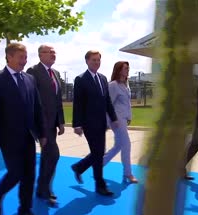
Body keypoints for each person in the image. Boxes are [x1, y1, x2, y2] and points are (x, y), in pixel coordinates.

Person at [0, 43, 47, 215]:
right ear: (9, 57)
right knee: (16, 172)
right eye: (20, 57)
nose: (24, 61)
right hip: (8, 137)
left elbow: (37, 108)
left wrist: (42, 133)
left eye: (25, 57)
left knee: (29, 175)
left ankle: (25, 211)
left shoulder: (29, 79)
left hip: (28, 136)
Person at [71, 50, 119, 196]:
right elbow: (77, 103)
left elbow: (107, 101)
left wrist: (114, 118)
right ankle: (100, 185)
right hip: (88, 123)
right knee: (98, 153)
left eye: (98, 60)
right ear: (86, 61)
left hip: (101, 123)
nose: (96, 63)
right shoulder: (80, 79)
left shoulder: (103, 79)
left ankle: (79, 167)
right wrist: (77, 124)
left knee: (99, 152)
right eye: (93, 60)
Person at [27, 44, 65, 205]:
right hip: (40, 123)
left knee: (47, 156)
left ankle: (43, 189)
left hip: (52, 124)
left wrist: (61, 121)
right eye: (49, 52)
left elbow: (57, 100)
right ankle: (43, 188)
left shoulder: (55, 73)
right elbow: (31, 100)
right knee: (53, 154)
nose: (53, 54)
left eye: (54, 52)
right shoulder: (33, 72)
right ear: (40, 55)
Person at [103, 61, 138, 183]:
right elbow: (108, 104)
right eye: (125, 68)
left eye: (128, 68)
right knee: (127, 145)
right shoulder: (113, 85)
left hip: (123, 119)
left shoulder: (126, 84)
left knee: (118, 146)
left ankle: (99, 164)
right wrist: (110, 121)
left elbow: (127, 104)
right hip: (116, 120)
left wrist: (129, 117)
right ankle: (128, 173)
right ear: (118, 70)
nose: (127, 70)